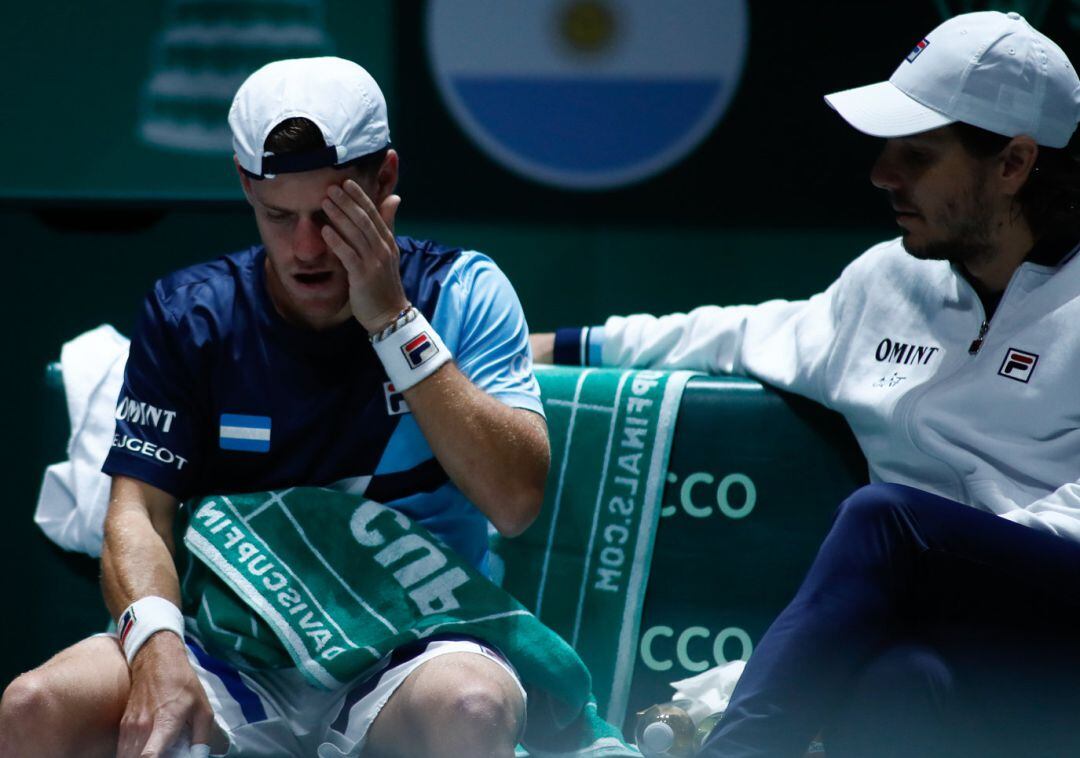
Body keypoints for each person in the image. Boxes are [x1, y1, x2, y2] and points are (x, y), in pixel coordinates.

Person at [535, 11, 1080, 757]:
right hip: (952, 639)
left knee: (887, 523)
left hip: (1059, 614)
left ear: (1014, 164)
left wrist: (916, 578)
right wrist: (546, 346)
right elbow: (738, 333)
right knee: (892, 682)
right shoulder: (888, 281)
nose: (882, 174)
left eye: (917, 156)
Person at [0, 57, 549, 758]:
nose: (306, 248)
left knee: (472, 708)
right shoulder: (192, 313)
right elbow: (137, 511)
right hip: (231, 643)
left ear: (385, 179)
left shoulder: (464, 291)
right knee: (34, 706)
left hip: (414, 646)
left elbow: (514, 501)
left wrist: (392, 321)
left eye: (331, 214)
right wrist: (156, 648)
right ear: (243, 184)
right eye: (277, 215)